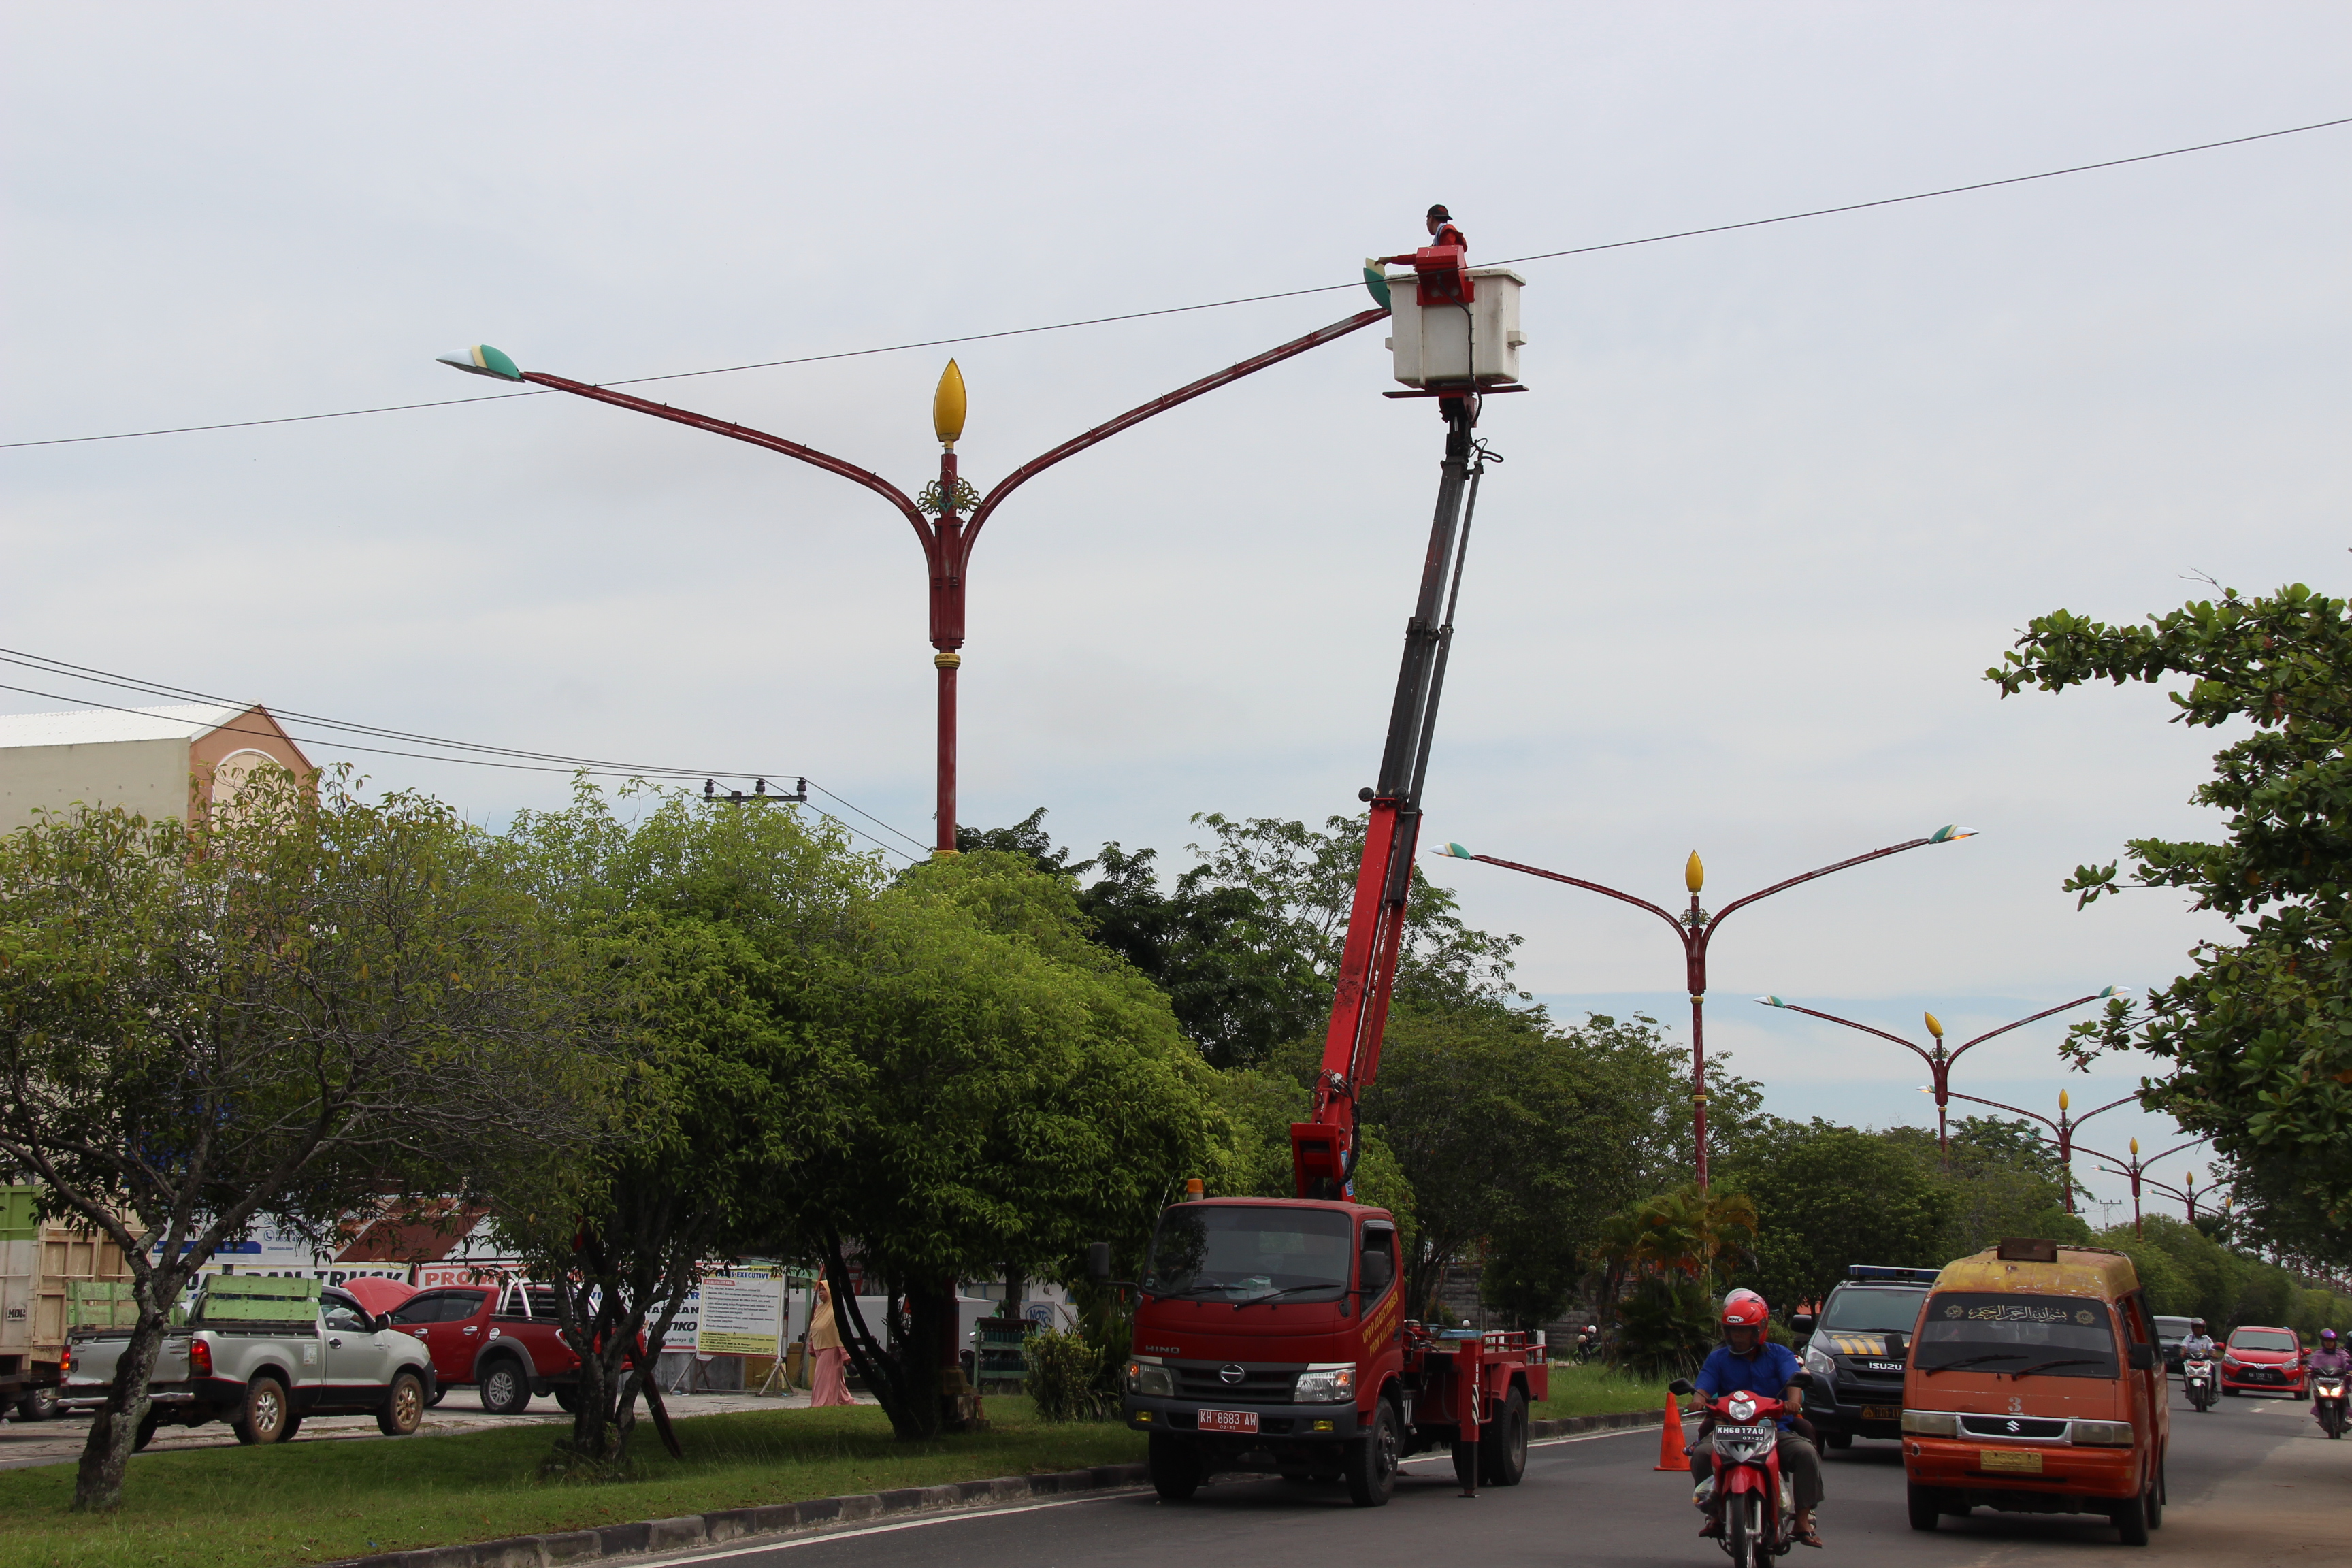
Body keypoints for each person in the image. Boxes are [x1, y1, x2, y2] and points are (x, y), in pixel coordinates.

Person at [1690, 1294, 1825, 1548]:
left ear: (1760, 1330)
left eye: (1744, 1331)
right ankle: (1715, 1514)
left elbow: (1794, 1382)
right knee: (1701, 1454)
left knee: (1806, 1453)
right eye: (1732, 1331)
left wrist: (1793, 1402)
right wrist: (1698, 1401)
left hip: (1774, 1430)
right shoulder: (1717, 1358)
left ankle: (1803, 1520)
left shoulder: (1780, 1355)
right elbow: (1703, 1387)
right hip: (1728, 1431)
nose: (1737, 1336)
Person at [806, 1278, 853, 1408]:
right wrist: (811, 1346)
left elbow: (838, 1334)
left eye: (824, 1290)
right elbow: (814, 1328)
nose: (821, 1292)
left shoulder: (834, 1312)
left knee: (824, 1378)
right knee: (829, 1378)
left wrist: (845, 1355)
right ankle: (845, 1400)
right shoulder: (820, 1310)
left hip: (831, 1350)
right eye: (820, 1290)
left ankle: (824, 1404)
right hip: (820, 1349)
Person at [2308, 1327, 2350, 1413]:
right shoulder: (2318, 1353)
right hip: (2322, 1379)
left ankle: (2346, 1409)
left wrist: (2349, 1369)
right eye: (2327, 1341)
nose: (2329, 1343)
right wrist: (2309, 1368)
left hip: (2338, 1379)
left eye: (2331, 1341)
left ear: (2335, 1342)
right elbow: (2313, 1362)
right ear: (2322, 1342)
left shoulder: (2341, 1353)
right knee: (2317, 1391)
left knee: (2343, 1392)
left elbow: (2346, 1362)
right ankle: (2318, 1406)